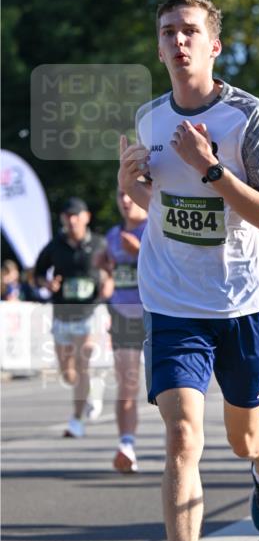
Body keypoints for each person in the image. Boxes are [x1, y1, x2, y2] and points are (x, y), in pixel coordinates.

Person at [118, 0, 259, 541]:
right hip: (172, 298)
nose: (179, 41)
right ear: (159, 46)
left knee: (242, 434)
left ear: (214, 46)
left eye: (191, 31)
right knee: (182, 437)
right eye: (168, 32)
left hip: (246, 298)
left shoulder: (248, 116)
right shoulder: (149, 118)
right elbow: (141, 209)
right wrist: (127, 183)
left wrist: (212, 168)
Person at [34, 198, 111, 438]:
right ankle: (92, 390)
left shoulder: (99, 243)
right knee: (67, 373)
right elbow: (36, 273)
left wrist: (108, 283)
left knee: (82, 362)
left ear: (86, 217)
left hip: (89, 312)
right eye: (67, 216)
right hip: (62, 313)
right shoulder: (55, 245)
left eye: (76, 215)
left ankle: (76, 420)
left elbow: (111, 270)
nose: (71, 219)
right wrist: (46, 283)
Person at [97, 189, 148, 473]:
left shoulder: (155, 227)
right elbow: (110, 272)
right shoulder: (113, 235)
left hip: (157, 314)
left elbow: (171, 268)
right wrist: (103, 271)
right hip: (122, 316)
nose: (126, 200)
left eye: (131, 194)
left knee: (168, 390)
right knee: (127, 384)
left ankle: (181, 447)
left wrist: (140, 253)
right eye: (120, 196)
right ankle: (126, 445)